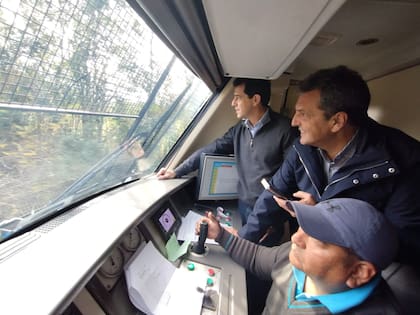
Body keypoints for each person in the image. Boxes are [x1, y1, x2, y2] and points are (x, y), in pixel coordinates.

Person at [236, 65, 420, 266]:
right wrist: (240, 242)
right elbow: (273, 194)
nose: (294, 122)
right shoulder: (303, 148)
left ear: (337, 122)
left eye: (302, 114)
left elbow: (399, 248)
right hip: (315, 260)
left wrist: (324, 219)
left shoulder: (406, 161)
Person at [197, 198, 402, 314]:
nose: (296, 238)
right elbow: (258, 257)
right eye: (305, 227)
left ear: (359, 272)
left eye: (319, 239)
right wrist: (221, 235)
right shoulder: (295, 257)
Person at [157, 77, 297, 225]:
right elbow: (212, 148)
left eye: (237, 98)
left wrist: (272, 213)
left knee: (260, 247)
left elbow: (290, 177)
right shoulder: (239, 130)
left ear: (255, 99)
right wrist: (177, 171)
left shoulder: (285, 130)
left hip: (269, 210)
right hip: (244, 204)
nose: (233, 103)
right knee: (243, 244)